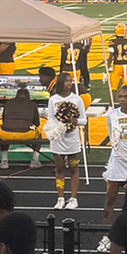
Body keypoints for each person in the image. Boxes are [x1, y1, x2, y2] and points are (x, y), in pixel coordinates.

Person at [97, 86, 127, 252]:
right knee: (110, 199)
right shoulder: (112, 116)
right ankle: (106, 236)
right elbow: (112, 137)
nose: (122, 100)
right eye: (120, 97)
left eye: (126, 96)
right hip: (117, 161)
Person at [43, 72, 86, 210]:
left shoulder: (77, 99)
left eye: (70, 81)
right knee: (59, 168)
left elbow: (83, 120)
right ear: (61, 83)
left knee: (74, 168)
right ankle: (60, 198)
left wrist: (74, 121)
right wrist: (58, 128)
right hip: (58, 138)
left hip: (72, 138)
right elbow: (50, 119)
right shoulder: (53, 100)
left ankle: (73, 198)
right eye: (67, 81)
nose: (70, 83)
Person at [0, 87, 42, 170]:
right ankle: (34, 160)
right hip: (26, 133)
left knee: (4, 131)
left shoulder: (8, 103)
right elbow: (37, 123)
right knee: (39, 134)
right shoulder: (32, 104)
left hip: (7, 134)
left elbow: (4, 121)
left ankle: (4, 161)